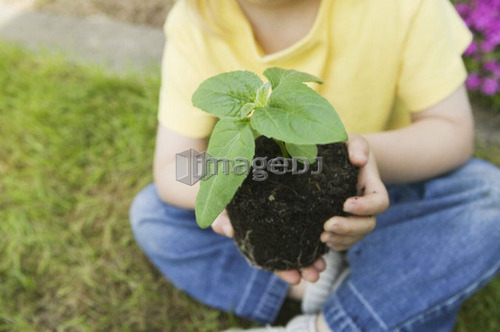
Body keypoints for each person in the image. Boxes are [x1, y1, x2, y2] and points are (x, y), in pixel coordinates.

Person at [129, 0, 500, 331]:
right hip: (267, 213)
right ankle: (326, 287)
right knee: (154, 215)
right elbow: (174, 166)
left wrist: (364, 156)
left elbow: (452, 133)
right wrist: (228, 192)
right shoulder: (196, 20)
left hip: (380, 197)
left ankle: (328, 324)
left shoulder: (403, 7)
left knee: (491, 198)